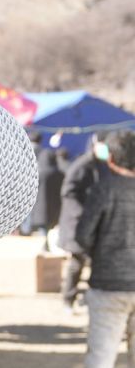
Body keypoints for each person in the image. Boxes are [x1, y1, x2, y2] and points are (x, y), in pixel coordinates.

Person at [74, 129, 135, 368]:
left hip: (108, 284)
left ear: (111, 157)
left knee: (101, 357)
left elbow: (83, 236)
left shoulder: (105, 188)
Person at [58, 134, 110, 313]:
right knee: (77, 262)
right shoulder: (81, 165)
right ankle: (68, 298)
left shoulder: (103, 165)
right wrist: (83, 213)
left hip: (94, 223)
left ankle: (86, 298)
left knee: (94, 263)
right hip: (77, 224)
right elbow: (68, 191)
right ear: (96, 144)